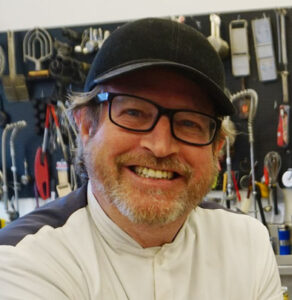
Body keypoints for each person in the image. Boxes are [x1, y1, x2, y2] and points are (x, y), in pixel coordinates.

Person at [0, 18, 282, 299]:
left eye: (189, 123)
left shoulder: (248, 245)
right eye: (133, 113)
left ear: (216, 149)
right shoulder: (23, 261)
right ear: (86, 127)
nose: (160, 147)